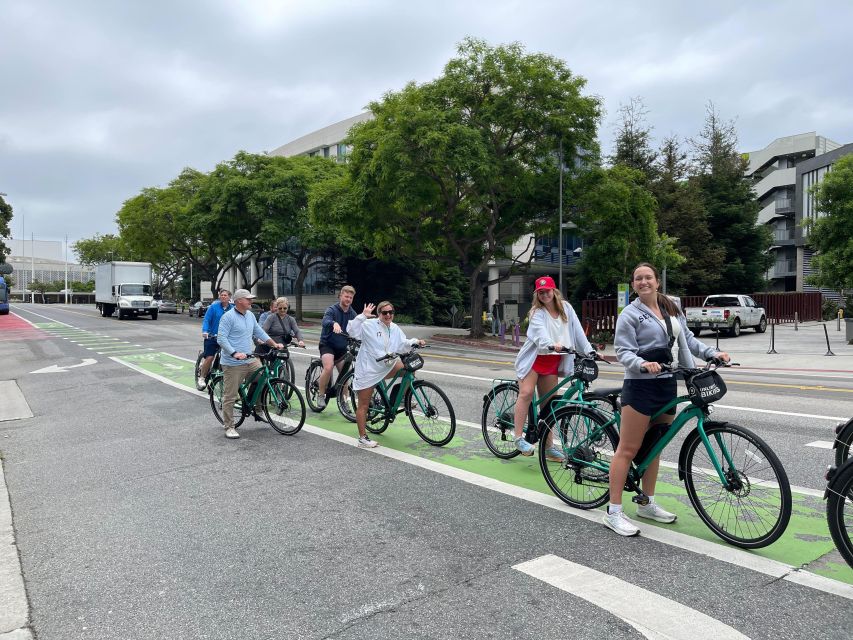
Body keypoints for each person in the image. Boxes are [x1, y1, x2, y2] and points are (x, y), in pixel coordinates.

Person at [606, 262, 730, 536]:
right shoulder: (629, 314)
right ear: (634, 284)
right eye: (638, 278)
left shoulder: (671, 308)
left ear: (657, 282)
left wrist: (712, 353)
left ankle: (646, 502)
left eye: (648, 277)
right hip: (640, 387)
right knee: (627, 450)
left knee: (655, 448)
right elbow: (623, 351)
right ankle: (613, 511)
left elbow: (688, 340)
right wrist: (641, 363)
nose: (643, 282)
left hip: (666, 384)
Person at [513, 276, 593, 459]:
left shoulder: (566, 308)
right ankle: (517, 438)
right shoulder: (536, 312)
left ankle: (548, 447)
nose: (544, 295)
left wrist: (590, 351)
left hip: (552, 362)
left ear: (554, 291)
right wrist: (550, 344)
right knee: (526, 393)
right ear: (537, 294)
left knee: (549, 406)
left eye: (547, 291)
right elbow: (539, 333)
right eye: (540, 292)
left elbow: (578, 331)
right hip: (534, 360)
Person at [347, 301, 425, 448]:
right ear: (379, 314)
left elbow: (403, 343)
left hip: (387, 365)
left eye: (391, 312)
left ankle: (401, 398)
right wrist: (362, 316)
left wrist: (416, 342)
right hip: (368, 370)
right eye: (384, 313)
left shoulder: (394, 328)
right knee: (363, 405)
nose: (388, 315)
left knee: (410, 367)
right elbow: (352, 331)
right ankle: (363, 438)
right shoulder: (369, 325)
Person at [217, 289, 284, 439]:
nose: (251, 301)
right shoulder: (228, 317)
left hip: (249, 358)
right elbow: (221, 339)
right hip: (233, 362)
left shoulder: (250, 316)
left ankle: (258, 410)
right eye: (248, 299)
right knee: (230, 395)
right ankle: (229, 426)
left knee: (263, 377)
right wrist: (234, 353)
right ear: (239, 300)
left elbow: (259, 332)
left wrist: (274, 344)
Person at [316, 285, 357, 409]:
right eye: (346, 296)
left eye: (350, 297)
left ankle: (344, 401)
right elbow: (325, 321)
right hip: (327, 345)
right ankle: (321, 395)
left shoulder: (352, 313)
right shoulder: (332, 310)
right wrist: (334, 323)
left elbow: (358, 327)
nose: (348, 299)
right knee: (328, 368)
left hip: (342, 348)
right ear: (340, 296)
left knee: (344, 375)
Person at [198, 289, 233, 387]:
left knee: (229, 358)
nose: (223, 297)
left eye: (225, 295)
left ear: (229, 297)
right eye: (221, 295)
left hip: (226, 338)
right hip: (212, 336)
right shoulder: (213, 307)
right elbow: (207, 320)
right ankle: (202, 377)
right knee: (210, 357)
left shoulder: (232, 309)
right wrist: (205, 331)